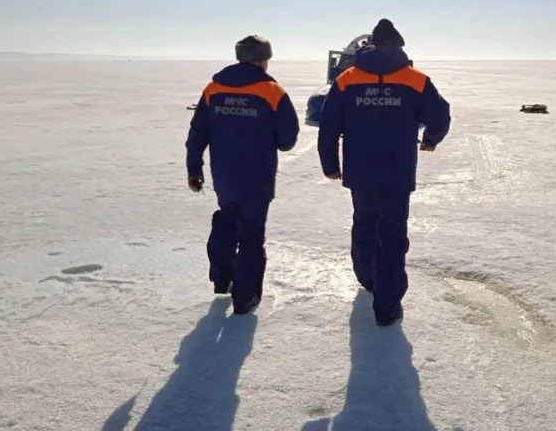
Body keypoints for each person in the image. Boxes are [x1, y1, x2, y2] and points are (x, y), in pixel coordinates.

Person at [317, 19, 451, 326]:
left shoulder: (346, 80)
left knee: (364, 224)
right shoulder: (415, 79)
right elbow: (440, 116)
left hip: (360, 172)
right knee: (391, 234)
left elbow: (328, 127)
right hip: (397, 173)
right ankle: (387, 308)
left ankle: (368, 280)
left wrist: (330, 165)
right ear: (399, 47)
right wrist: (430, 140)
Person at [186, 35, 299, 315]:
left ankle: (221, 278)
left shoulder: (214, 89)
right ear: (262, 60)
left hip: (224, 177)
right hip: (257, 178)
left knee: (227, 221)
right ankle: (245, 297)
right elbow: (287, 139)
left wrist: (194, 169)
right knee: (251, 235)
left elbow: (197, 133)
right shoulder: (272, 91)